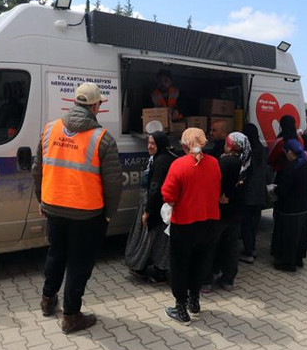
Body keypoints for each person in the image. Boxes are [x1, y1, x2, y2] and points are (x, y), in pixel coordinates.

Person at [33, 82, 123, 334]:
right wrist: (109, 214)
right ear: (96, 106)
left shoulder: (50, 129)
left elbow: (37, 168)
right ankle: (71, 317)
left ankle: (47, 301)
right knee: (79, 264)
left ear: (75, 102)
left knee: (56, 254)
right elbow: (113, 184)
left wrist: (42, 200)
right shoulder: (102, 138)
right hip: (87, 214)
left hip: (54, 206)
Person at [161, 128, 221, 325]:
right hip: (210, 222)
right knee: (200, 263)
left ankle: (181, 308)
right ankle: (194, 302)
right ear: (204, 143)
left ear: (184, 144)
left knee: (180, 266)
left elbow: (168, 196)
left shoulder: (178, 165)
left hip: (185, 223)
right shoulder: (214, 163)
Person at [125, 131, 176, 283]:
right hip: (157, 207)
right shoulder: (158, 158)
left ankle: (154, 270)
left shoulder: (161, 161)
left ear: (160, 144)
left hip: (158, 208)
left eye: (153, 143)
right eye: (148, 143)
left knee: (153, 239)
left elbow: (156, 187)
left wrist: (148, 211)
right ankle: (153, 268)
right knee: (155, 240)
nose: (149, 146)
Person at [202, 132, 250, 291]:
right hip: (237, 211)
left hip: (221, 211)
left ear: (230, 145)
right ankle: (228, 279)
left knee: (211, 244)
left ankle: (206, 280)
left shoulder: (225, 162)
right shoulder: (247, 161)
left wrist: (219, 195)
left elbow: (214, 183)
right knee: (231, 245)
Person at [270, 139, 307, 272]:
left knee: (288, 237)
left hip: (289, 209)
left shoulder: (291, 168)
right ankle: (298, 259)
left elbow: (283, 190)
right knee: (300, 236)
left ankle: (287, 263)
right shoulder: (306, 164)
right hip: (303, 208)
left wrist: (274, 189)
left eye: (285, 152)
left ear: (290, 152)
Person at [240, 124, 269, 264]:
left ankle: (249, 252)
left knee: (246, 223)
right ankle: (253, 248)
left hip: (249, 193)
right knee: (254, 223)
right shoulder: (263, 149)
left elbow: (245, 174)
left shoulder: (247, 151)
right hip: (260, 192)